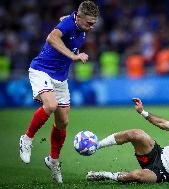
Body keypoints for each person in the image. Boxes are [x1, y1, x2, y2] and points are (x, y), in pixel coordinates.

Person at [19, 1, 99, 183]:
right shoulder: (70, 23)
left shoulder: (78, 23)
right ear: (79, 18)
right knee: (51, 105)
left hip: (61, 79)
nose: (91, 27)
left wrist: (71, 22)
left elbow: (67, 21)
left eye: (93, 23)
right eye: (88, 23)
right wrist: (73, 56)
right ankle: (27, 138)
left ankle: (53, 161)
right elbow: (52, 38)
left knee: (63, 122)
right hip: (42, 70)